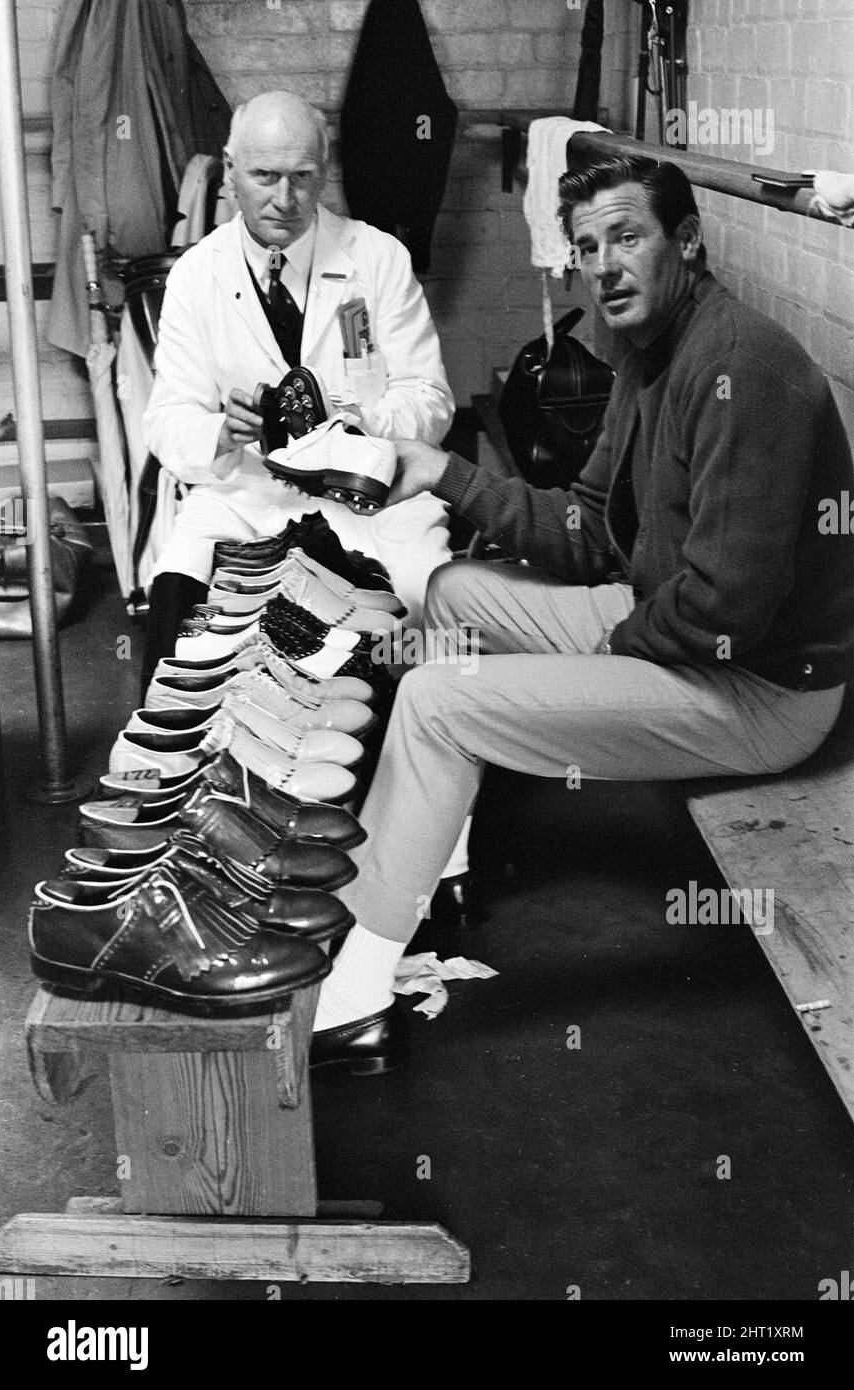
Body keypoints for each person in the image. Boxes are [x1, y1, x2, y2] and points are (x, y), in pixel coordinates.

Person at [309, 154, 854, 1074]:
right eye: (587, 245)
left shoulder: (743, 371)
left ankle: (349, 1001)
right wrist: (438, 470)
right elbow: (587, 525)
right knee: (450, 591)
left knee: (442, 701)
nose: (603, 266)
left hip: (760, 691)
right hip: (669, 623)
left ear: (687, 243)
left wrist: (610, 642)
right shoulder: (647, 355)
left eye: (628, 238)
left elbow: (730, 610)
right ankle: (433, 869)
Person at [141, 90, 454, 687]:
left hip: (369, 500)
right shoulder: (196, 275)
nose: (284, 200)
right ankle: (191, 767)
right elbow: (167, 422)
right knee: (179, 619)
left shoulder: (379, 258)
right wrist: (221, 430)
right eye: (264, 176)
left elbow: (430, 400)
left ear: (325, 172)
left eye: (303, 178)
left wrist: (347, 428)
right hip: (246, 496)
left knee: (419, 621)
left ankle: (391, 758)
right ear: (229, 170)